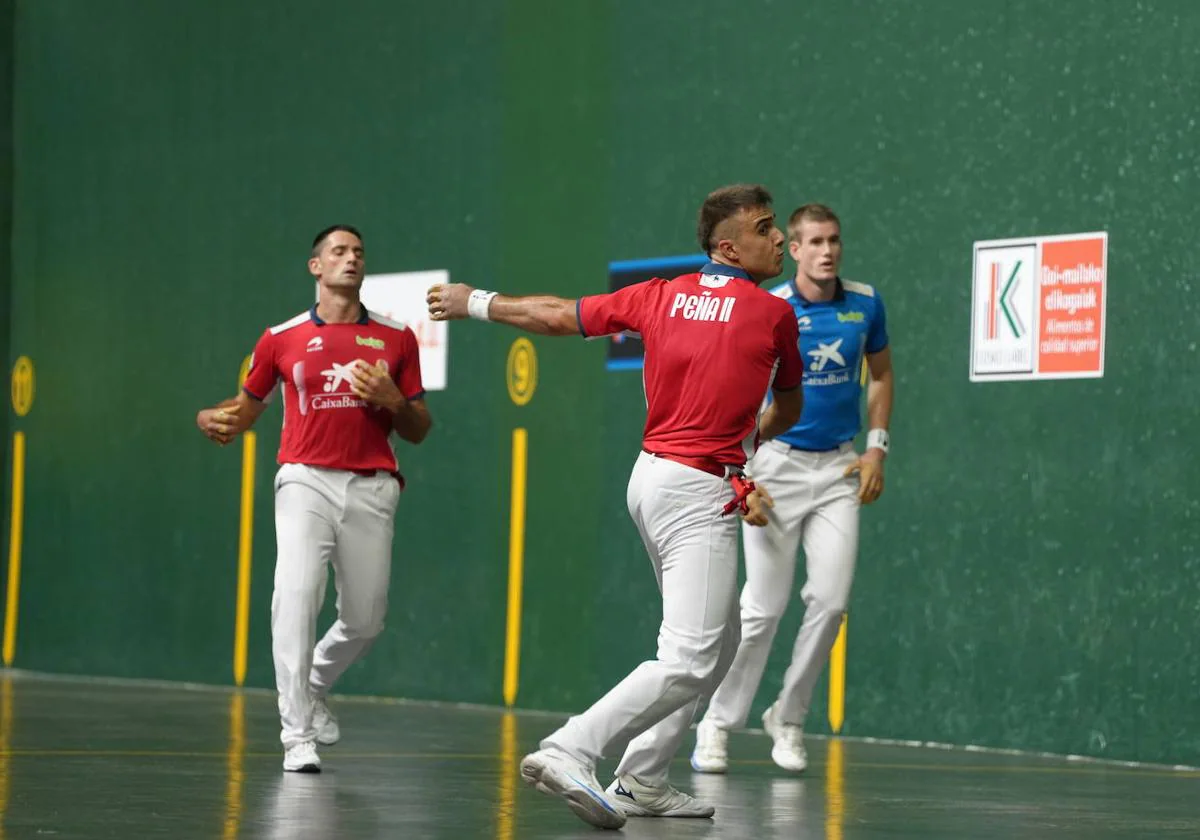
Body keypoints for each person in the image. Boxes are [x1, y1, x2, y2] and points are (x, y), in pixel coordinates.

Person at [426, 184, 804, 830]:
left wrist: (476, 302)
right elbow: (791, 404)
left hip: (650, 481)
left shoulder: (657, 294)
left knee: (720, 642)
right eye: (766, 228)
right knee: (689, 657)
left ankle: (644, 778)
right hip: (697, 492)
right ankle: (569, 749)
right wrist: (749, 443)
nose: (780, 239)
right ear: (727, 248)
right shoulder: (772, 314)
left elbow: (556, 314)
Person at [195, 225, 432, 773]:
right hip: (305, 480)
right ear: (316, 267)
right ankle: (295, 733)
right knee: (296, 595)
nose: (351, 259)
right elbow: (246, 409)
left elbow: (418, 428)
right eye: (339, 252)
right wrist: (211, 418)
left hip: (373, 485)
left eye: (358, 252)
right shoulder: (280, 338)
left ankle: (316, 683)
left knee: (365, 620)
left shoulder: (397, 338)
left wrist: (394, 400)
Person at [690, 203, 893, 775]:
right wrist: (744, 474)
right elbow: (741, 395)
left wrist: (877, 445)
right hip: (775, 467)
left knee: (829, 602)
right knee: (762, 608)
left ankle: (788, 715)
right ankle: (718, 722)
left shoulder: (866, 303)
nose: (827, 250)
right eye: (814, 242)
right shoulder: (769, 307)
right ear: (795, 250)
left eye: (835, 240)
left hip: (837, 470)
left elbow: (880, 375)